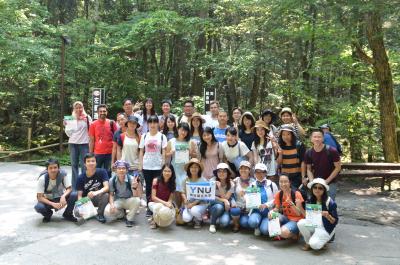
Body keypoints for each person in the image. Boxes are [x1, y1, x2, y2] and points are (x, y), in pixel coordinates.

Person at [139, 115, 167, 217]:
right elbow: (141, 151)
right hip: (147, 165)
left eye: (155, 122)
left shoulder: (162, 136)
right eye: (150, 122)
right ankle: (149, 207)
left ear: (158, 123)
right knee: (148, 186)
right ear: (148, 124)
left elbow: (164, 151)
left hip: (158, 166)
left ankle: (156, 206)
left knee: (157, 187)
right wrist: (140, 164)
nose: (152, 124)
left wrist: (163, 164)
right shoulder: (144, 136)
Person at [298, 178, 338, 251]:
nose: (317, 190)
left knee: (314, 245)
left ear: (324, 190)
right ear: (312, 189)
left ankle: (320, 242)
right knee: (300, 223)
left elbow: (335, 222)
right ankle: (308, 242)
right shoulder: (310, 200)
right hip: (314, 225)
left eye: (320, 188)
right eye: (315, 187)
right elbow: (308, 217)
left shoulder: (329, 202)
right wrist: (300, 207)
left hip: (325, 228)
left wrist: (328, 216)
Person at [304, 129, 341, 200]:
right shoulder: (308, 152)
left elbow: (338, 168)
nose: (317, 139)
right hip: (315, 183)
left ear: (323, 138)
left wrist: (326, 181)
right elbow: (308, 169)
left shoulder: (332, 151)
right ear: (311, 139)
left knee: (329, 203)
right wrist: (312, 182)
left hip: (330, 182)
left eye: (319, 137)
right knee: (315, 206)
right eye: (314, 137)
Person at [166, 122, 196, 207]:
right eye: (182, 130)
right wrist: (171, 153)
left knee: (185, 188)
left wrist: (190, 153)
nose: (183, 132)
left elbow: (194, 155)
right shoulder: (172, 141)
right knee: (176, 189)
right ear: (178, 129)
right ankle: (177, 208)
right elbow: (166, 155)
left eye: (185, 131)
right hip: (175, 169)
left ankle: (184, 208)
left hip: (186, 169)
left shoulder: (190, 142)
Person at [104, 160, 142, 227]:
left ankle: (129, 219)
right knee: (107, 212)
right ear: (116, 170)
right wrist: (112, 204)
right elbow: (111, 195)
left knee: (138, 200)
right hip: (118, 200)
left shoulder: (132, 179)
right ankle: (121, 214)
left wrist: (134, 188)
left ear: (127, 170)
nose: (121, 170)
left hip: (129, 200)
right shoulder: (112, 180)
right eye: (119, 168)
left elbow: (136, 196)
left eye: (123, 168)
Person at [268, 174, 305, 240]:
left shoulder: (296, 194)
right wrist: (272, 212)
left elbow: (299, 213)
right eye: (281, 182)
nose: (283, 184)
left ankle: (295, 233)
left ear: (289, 182)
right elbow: (277, 208)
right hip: (286, 218)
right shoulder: (279, 194)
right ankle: (280, 232)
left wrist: (291, 204)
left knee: (283, 232)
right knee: (271, 213)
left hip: (296, 220)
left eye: (285, 182)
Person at [76, 153, 110, 223]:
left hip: (98, 197)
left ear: (96, 163)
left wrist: (95, 193)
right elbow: (79, 195)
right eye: (88, 161)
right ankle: (89, 212)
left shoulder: (102, 172)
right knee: (77, 213)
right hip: (87, 199)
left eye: (93, 161)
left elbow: (107, 187)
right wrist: (80, 206)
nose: (91, 163)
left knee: (106, 195)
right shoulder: (80, 177)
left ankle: (100, 214)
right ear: (85, 164)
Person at [65, 101, 91, 189]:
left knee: (85, 165)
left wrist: (84, 120)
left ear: (83, 108)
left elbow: (91, 130)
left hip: (84, 143)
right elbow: (68, 133)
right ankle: (75, 186)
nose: (78, 109)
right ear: (74, 109)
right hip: (73, 144)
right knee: (74, 165)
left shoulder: (87, 117)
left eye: (80, 107)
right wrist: (69, 123)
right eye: (76, 107)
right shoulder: (70, 118)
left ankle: (84, 184)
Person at [247, 163, 279, 236]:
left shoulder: (272, 184)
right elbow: (250, 200)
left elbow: (277, 199)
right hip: (256, 211)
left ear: (266, 173)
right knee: (252, 222)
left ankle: (264, 225)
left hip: (269, 211)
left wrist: (266, 205)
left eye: (262, 172)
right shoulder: (252, 185)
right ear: (254, 173)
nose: (259, 174)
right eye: (257, 172)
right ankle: (257, 226)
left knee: (265, 230)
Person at [89, 104, 118, 177]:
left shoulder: (112, 123)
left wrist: (116, 153)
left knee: (108, 173)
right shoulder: (93, 124)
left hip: (110, 153)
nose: (102, 113)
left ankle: (107, 188)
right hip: (97, 153)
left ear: (107, 112)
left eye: (104, 111)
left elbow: (117, 138)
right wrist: (90, 154)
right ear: (98, 113)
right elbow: (92, 140)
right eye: (100, 111)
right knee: (96, 172)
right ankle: (97, 187)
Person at [181, 158, 208, 229]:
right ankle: (192, 217)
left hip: (201, 204)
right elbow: (182, 192)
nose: (194, 169)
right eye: (192, 167)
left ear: (199, 169)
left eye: (196, 167)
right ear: (189, 169)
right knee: (186, 219)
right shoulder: (185, 180)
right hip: (189, 203)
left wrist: (193, 204)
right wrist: (185, 200)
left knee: (194, 210)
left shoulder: (203, 180)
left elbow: (204, 195)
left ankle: (199, 219)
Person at [276, 125, 306, 189]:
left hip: (297, 177)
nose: (285, 137)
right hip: (284, 178)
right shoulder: (280, 146)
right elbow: (278, 163)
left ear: (292, 134)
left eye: (288, 134)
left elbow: (303, 162)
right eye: (283, 134)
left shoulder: (299, 145)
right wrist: (280, 154)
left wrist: (303, 177)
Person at [148, 164, 176, 229]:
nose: (167, 173)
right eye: (165, 171)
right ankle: (154, 220)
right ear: (162, 172)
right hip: (154, 203)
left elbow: (170, 198)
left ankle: (157, 218)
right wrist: (165, 203)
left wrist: (169, 203)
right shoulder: (156, 180)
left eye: (169, 171)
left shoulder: (173, 183)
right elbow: (153, 197)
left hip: (165, 204)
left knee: (166, 214)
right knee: (158, 206)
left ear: (172, 172)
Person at [209, 163, 234, 233]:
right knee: (218, 207)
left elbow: (226, 197)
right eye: (219, 171)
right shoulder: (212, 180)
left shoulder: (231, 184)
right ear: (216, 173)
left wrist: (219, 187)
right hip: (214, 205)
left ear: (228, 173)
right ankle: (212, 224)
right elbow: (210, 196)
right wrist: (224, 201)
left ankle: (218, 216)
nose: (221, 173)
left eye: (224, 171)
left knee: (224, 223)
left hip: (225, 207)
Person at [230, 161, 254, 232]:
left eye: (246, 168)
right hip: (237, 206)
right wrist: (233, 202)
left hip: (248, 208)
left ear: (249, 170)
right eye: (241, 168)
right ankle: (236, 224)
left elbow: (255, 196)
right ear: (239, 170)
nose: (243, 170)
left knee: (245, 223)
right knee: (235, 210)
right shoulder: (235, 180)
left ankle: (240, 220)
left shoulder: (253, 182)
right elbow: (230, 193)